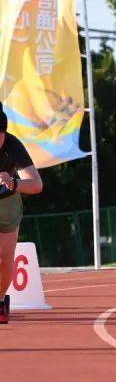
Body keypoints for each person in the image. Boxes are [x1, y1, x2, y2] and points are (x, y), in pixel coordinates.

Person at [0, 106, 43, 323]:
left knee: (5, 260)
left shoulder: (14, 146)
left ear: (4, 133)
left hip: (7, 202)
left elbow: (36, 184)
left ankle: (0, 301)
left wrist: (14, 182)